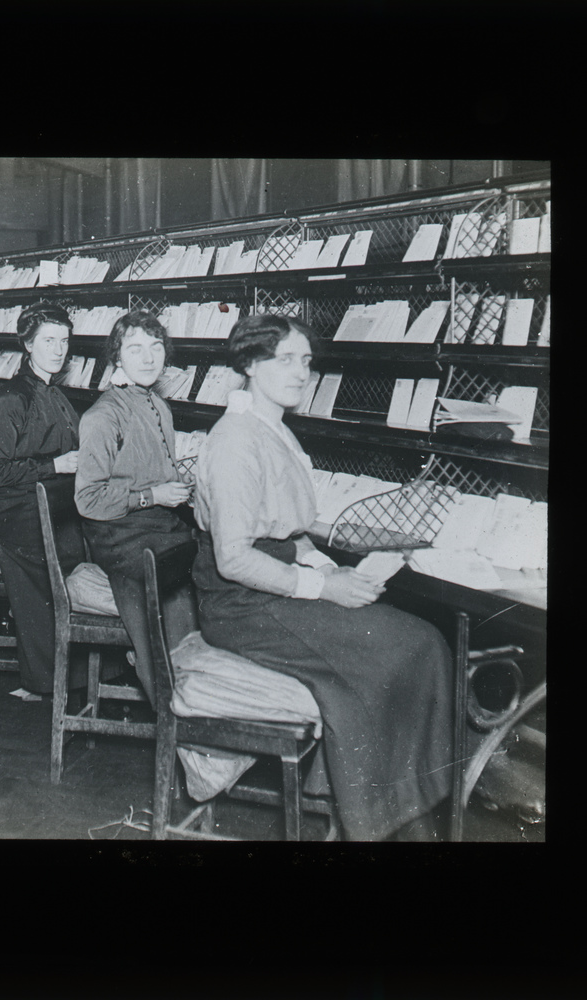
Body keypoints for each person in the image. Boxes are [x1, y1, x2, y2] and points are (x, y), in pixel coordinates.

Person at [191, 313, 454, 841]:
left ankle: (384, 805)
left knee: (414, 642)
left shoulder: (273, 429)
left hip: (276, 585)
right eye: (284, 359)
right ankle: (386, 817)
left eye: (306, 361)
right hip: (243, 606)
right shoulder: (236, 441)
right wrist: (323, 587)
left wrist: (324, 566)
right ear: (248, 363)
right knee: (412, 645)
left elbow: (290, 531)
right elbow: (235, 559)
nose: (299, 372)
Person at [75, 310, 197, 707]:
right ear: (116, 358)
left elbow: (159, 475)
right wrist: (152, 497)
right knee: (170, 600)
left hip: (159, 526)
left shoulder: (159, 406)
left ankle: (203, 693)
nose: (148, 358)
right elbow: (88, 500)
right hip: (119, 534)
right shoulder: (103, 416)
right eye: (135, 349)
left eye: (156, 348)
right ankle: (175, 706)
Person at [0, 302, 87, 695]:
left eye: (64, 341)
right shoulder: (13, 397)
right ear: (27, 344)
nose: (59, 350)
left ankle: (80, 674)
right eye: (48, 341)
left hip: (55, 506)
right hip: (22, 514)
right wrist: (55, 466)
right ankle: (52, 681)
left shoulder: (55, 393)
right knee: (69, 564)